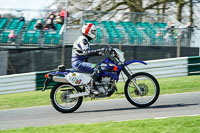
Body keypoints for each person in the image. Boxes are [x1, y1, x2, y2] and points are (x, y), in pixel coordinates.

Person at [71, 23, 110, 95]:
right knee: (97, 68)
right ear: (87, 31)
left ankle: (99, 85)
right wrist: (99, 51)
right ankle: (92, 88)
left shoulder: (84, 39)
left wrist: (100, 53)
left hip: (79, 62)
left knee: (101, 65)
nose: (94, 33)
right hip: (78, 63)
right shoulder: (83, 40)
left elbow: (88, 53)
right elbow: (86, 52)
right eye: (92, 31)